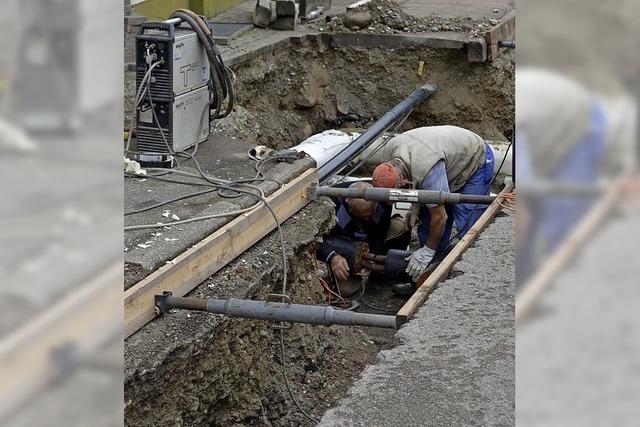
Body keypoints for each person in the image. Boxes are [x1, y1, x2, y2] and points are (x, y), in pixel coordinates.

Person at [372, 125, 495, 282]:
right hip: (442, 159)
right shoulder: (389, 152)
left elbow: (440, 218)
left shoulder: (427, 170)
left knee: (468, 228)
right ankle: (429, 275)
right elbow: (417, 183)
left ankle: (470, 279)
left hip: (474, 160)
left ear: (403, 182)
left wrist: (427, 252)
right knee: (426, 226)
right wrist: (417, 207)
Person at [316, 181, 409, 282]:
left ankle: (384, 273)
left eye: (370, 214)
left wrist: (372, 257)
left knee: (400, 226)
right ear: (347, 202)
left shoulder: (381, 196)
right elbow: (315, 240)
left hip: (367, 239)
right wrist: (331, 256)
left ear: (376, 203)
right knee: (347, 289)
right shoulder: (330, 203)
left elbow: (380, 233)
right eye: (361, 216)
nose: (366, 219)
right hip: (341, 243)